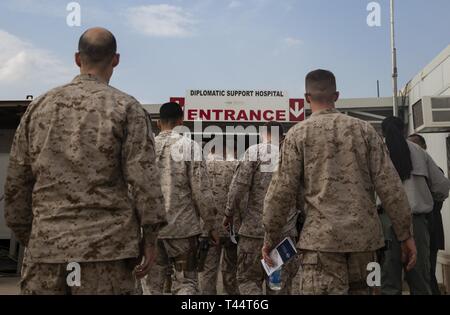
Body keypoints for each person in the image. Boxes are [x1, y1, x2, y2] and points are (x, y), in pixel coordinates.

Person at [4, 27, 167, 295]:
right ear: (115, 59)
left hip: (47, 252)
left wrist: (38, 237)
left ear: (77, 59)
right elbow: (144, 181)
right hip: (108, 254)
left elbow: (16, 185)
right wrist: (150, 239)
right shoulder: (127, 108)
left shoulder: (39, 107)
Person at [262, 69, 416, 295]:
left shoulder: (297, 135)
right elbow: (391, 187)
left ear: (307, 98)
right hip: (366, 247)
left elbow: (281, 192)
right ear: (336, 96)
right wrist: (406, 235)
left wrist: (270, 236)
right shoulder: (365, 130)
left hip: (320, 247)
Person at [144, 102, 219, 295]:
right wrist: (211, 225)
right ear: (181, 121)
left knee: (154, 285)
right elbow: (202, 190)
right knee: (186, 283)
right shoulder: (189, 146)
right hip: (183, 230)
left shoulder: (147, 148)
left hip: (153, 229)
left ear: (158, 122)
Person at [224, 122, 301, 295]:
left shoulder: (254, 152)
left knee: (248, 280)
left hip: (253, 232)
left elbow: (238, 187)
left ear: (262, 134)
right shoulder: (292, 155)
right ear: (281, 135)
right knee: (279, 285)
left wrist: (228, 214)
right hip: (284, 234)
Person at [379, 119, 450, 295]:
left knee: (388, 280)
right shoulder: (420, 152)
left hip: (385, 223)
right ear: (404, 130)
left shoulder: (376, 151)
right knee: (420, 281)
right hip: (416, 223)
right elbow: (442, 187)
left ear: (382, 133)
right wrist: (427, 198)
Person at [199, 145, 240, 295]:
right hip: (232, 228)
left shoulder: (202, 166)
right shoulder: (237, 165)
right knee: (231, 271)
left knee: (208, 272)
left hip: (208, 229)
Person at [408, 134, 446, 295]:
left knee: (427, 273)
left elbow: (440, 194)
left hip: (430, 227)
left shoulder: (433, 171)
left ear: (424, 148)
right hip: (426, 226)